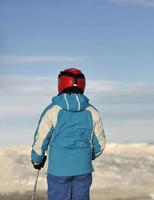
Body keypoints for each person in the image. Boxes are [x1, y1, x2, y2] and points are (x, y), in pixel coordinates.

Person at [31, 68, 106, 200]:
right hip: (83, 168)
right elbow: (99, 144)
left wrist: (37, 160)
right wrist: (88, 155)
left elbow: (41, 139)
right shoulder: (92, 111)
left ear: (61, 84)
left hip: (58, 169)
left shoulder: (52, 111)